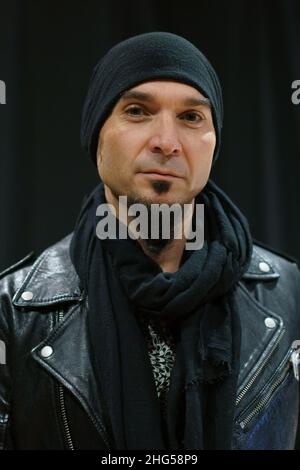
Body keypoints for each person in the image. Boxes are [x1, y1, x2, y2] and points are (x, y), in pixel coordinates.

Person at [0, 31, 299, 451]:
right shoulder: (15, 312)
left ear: (214, 142)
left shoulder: (290, 296)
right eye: (138, 111)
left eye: (192, 117)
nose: (166, 142)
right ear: (96, 134)